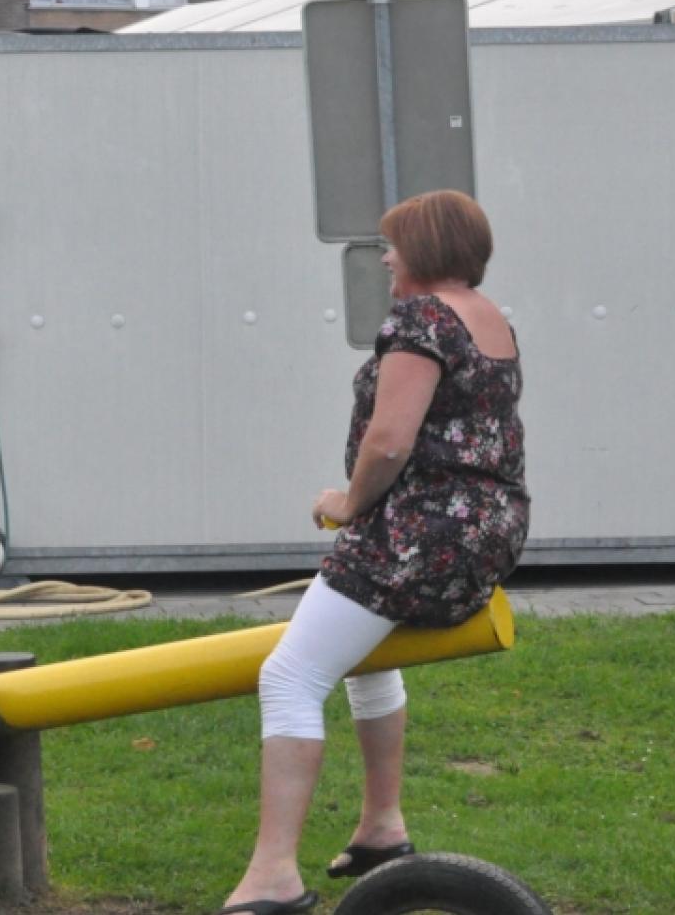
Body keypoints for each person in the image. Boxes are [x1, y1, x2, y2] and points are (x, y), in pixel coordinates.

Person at [220, 190, 528, 915]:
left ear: (425, 250)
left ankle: (273, 875)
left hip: (419, 535)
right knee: (365, 657)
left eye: (394, 245)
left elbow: (389, 442)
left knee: (290, 676)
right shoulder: (490, 318)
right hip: (485, 533)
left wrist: (348, 503)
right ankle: (382, 828)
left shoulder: (420, 320)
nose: (386, 258)